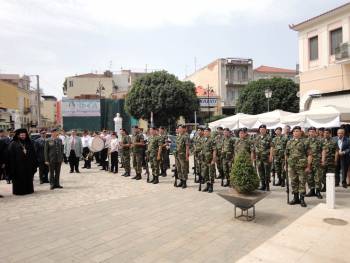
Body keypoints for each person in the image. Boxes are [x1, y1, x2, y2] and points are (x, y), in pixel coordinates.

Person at [285, 126, 312, 207]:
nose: (296, 133)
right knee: (293, 182)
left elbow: (310, 155)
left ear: (301, 132)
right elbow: (286, 154)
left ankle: (302, 199)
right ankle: (295, 198)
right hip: (292, 166)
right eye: (294, 131)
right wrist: (285, 165)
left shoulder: (305, 142)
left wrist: (308, 166)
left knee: (302, 182)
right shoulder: (289, 142)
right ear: (292, 133)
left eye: (297, 131)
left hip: (302, 167)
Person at [7, 128, 38, 195]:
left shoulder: (29, 143)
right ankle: (19, 191)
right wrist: (12, 166)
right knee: (19, 178)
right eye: (21, 135)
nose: (23, 136)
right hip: (18, 166)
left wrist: (34, 163)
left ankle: (29, 190)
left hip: (28, 165)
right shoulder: (13, 144)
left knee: (28, 177)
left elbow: (33, 154)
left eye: (24, 135)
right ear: (18, 135)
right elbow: (10, 156)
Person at [252, 124, 273, 191]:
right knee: (260, 172)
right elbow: (255, 147)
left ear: (266, 130)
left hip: (266, 158)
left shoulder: (269, 137)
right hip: (259, 158)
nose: (262, 131)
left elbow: (272, 147)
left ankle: (267, 186)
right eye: (261, 129)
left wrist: (271, 156)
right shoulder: (257, 137)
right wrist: (254, 155)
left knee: (267, 172)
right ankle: (263, 185)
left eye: (263, 129)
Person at [305, 127, 323, 199]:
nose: (311, 133)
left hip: (317, 161)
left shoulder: (320, 140)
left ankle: (318, 191)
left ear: (316, 132)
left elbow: (323, 150)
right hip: (308, 162)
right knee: (309, 177)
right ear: (308, 132)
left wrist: (322, 159)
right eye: (310, 131)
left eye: (313, 131)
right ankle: (312, 190)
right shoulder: (305, 141)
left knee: (318, 177)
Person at [201, 128, 216, 193]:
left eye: (206, 131)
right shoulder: (204, 140)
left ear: (210, 132)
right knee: (205, 173)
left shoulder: (212, 140)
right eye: (204, 131)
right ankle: (207, 185)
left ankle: (211, 187)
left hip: (210, 160)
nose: (205, 133)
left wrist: (213, 159)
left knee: (211, 173)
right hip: (204, 160)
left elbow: (215, 150)